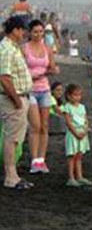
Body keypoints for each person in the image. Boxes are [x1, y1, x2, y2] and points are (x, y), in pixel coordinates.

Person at [0, 17, 32, 190]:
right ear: (15, 30)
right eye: (22, 30)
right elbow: (4, 78)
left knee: (14, 138)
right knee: (12, 139)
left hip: (18, 97)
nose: (24, 33)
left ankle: (13, 174)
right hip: (13, 99)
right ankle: (11, 176)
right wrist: (17, 101)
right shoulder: (6, 49)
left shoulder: (12, 48)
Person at [23, 19, 59, 174]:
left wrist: (44, 73)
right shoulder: (24, 49)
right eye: (35, 32)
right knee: (35, 126)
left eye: (41, 32)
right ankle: (33, 159)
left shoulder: (47, 49)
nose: (38, 35)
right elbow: (21, 70)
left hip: (44, 89)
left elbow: (53, 68)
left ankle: (40, 160)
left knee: (45, 126)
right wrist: (35, 76)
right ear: (29, 33)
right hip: (30, 90)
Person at [61, 84, 91, 187]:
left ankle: (79, 176)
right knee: (71, 156)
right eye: (75, 95)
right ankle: (71, 177)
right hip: (73, 134)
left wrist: (85, 130)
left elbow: (86, 120)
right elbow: (68, 123)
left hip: (82, 133)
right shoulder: (67, 107)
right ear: (69, 96)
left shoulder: (82, 107)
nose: (77, 97)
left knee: (79, 156)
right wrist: (76, 133)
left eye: (79, 95)